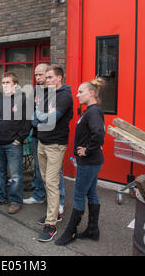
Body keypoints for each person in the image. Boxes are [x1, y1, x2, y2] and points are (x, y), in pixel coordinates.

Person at [55, 77, 105, 246]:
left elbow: (98, 133)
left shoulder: (93, 111)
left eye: (80, 92)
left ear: (91, 93)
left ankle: (71, 231)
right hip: (91, 161)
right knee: (91, 193)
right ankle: (93, 230)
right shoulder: (90, 110)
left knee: (78, 196)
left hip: (89, 161)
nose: (77, 95)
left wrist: (87, 149)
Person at [33, 64, 73, 242]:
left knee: (51, 182)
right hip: (42, 142)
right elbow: (34, 119)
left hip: (55, 145)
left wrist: (41, 115)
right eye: (45, 77)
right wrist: (41, 116)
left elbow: (52, 118)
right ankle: (54, 213)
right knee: (45, 180)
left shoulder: (65, 95)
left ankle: (51, 225)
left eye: (49, 77)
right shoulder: (46, 93)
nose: (46, 80)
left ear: (59, 78)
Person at [23, 64, 66, 220]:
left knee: (55, 173)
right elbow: (29, 112)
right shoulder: (35, 91)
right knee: (38, 168)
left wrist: (36, 119)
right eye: (36, 75)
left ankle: (59, 202)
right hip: (36, 136)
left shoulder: (55, 93)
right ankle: (39, 195)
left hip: (52, 138)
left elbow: (48, 118)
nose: (38, 78)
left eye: (41, 75)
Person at [0, 72, 31, 214]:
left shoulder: (23, 100)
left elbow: (27, 122)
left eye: (8, 83)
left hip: (13, 144)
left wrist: (19, 139)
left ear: (15, 85)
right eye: (3, 82)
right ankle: (1, 196)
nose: (5, 85)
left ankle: (16, 201)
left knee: (16, 175)